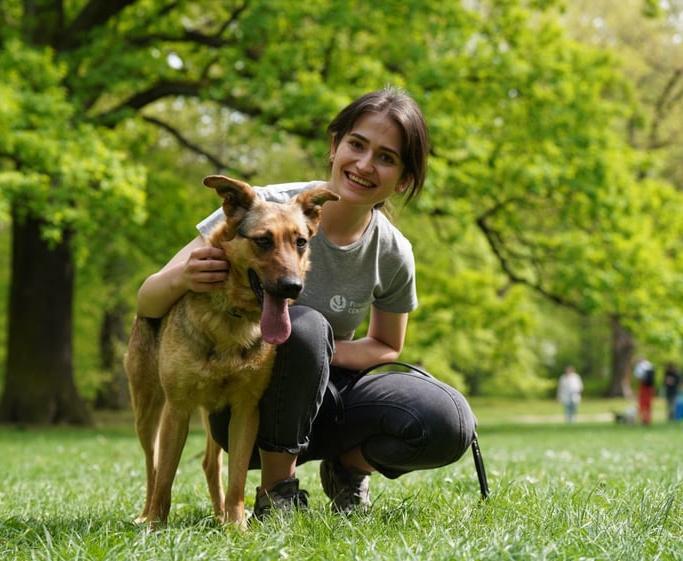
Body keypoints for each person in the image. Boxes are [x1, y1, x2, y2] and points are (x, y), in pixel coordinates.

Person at [135, 87, 477, 518]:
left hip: (329, 395)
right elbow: (147, 301)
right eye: (357, 145)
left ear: (403, 179)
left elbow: (387, 346)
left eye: (386, 158)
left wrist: (315, 355)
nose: (365, 165)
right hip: (248, 405)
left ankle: (348, 471)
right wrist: (182, 277)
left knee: (449, 419)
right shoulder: (259, 208)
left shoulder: (392, 250)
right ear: (334, 147)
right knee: (307, 326)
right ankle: (277, 491)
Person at [632, 356, 656, 425]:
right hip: (649, 387)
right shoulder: (649, 365)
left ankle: (644, 419)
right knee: (648, 404)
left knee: (643, 404)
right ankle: (647, 419)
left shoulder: (639, 366)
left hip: (644, 387)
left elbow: (638, 377)